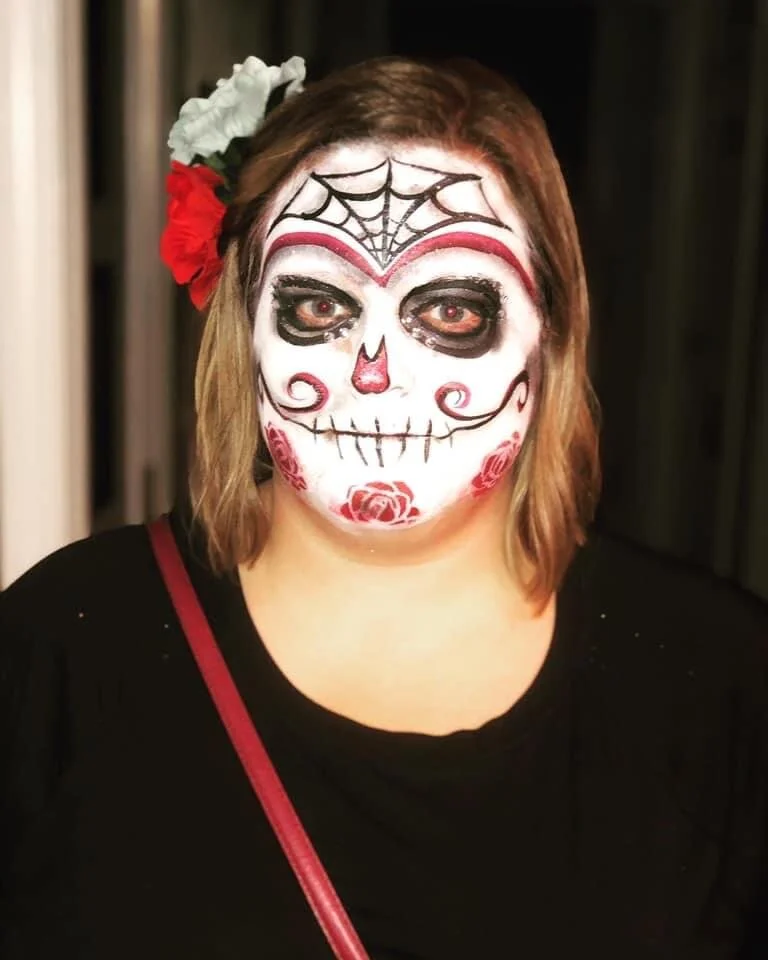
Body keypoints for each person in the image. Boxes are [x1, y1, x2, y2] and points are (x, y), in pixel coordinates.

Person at [1, 54, 766, 959]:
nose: (372, 369)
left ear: (550, 335)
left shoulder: (720, 687)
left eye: (449, 312)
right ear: (244, 332)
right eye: (318, 304)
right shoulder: (62, 649)